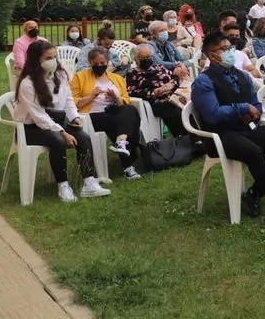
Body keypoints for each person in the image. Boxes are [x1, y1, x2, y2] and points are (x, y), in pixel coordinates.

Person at [191, 31, 265, 228]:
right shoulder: (203, 82)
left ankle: (255, 193)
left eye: (231, 48)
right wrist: (243, 108)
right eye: (224, 49)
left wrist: (255, 111)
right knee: (253, 152)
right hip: (220, 136)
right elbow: (213, 114)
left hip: (245, 128)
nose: (230, 52)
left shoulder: (241, 76)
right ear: (212, 55)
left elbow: (256, 103)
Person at [13, 42, 110, 202]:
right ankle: (63, 186)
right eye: (48, 58)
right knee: (57, 141)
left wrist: (74, 117)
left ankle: (89, 182)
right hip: (29, 128)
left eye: (54, 57)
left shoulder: (60, 75)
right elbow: (39, 116)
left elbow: (68, 101)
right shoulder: (27, 84)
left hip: (54, 122)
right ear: (36, 60)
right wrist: (63, 133)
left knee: (83, 137)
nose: (53, 61)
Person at [70, 47, 143, 180]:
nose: (100, 66)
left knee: (130, 111)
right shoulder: (79, 77)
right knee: (126, 122)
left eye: (103, 63)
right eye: (96, 64)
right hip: (91, 117)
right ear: (90, 62)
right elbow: (72, 103)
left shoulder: (117, 78)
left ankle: (121, 142)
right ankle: (128, 165)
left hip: (113, 112)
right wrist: (91, 96)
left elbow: (125, 100)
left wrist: (116, 98)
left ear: (108, 62)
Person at [126, 43, 190, 138]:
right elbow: (132, 92)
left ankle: (197, 135)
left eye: (148, 56)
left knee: (190, 106)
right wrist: (154, 92)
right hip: (155, 102)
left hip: (174, 97)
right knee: (175, 112)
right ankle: (185, 138)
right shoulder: (132, 74)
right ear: (136, 59)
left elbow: (174, 77)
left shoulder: (159, 68)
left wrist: (171, 84)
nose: (146, 59)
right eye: (143, 57)